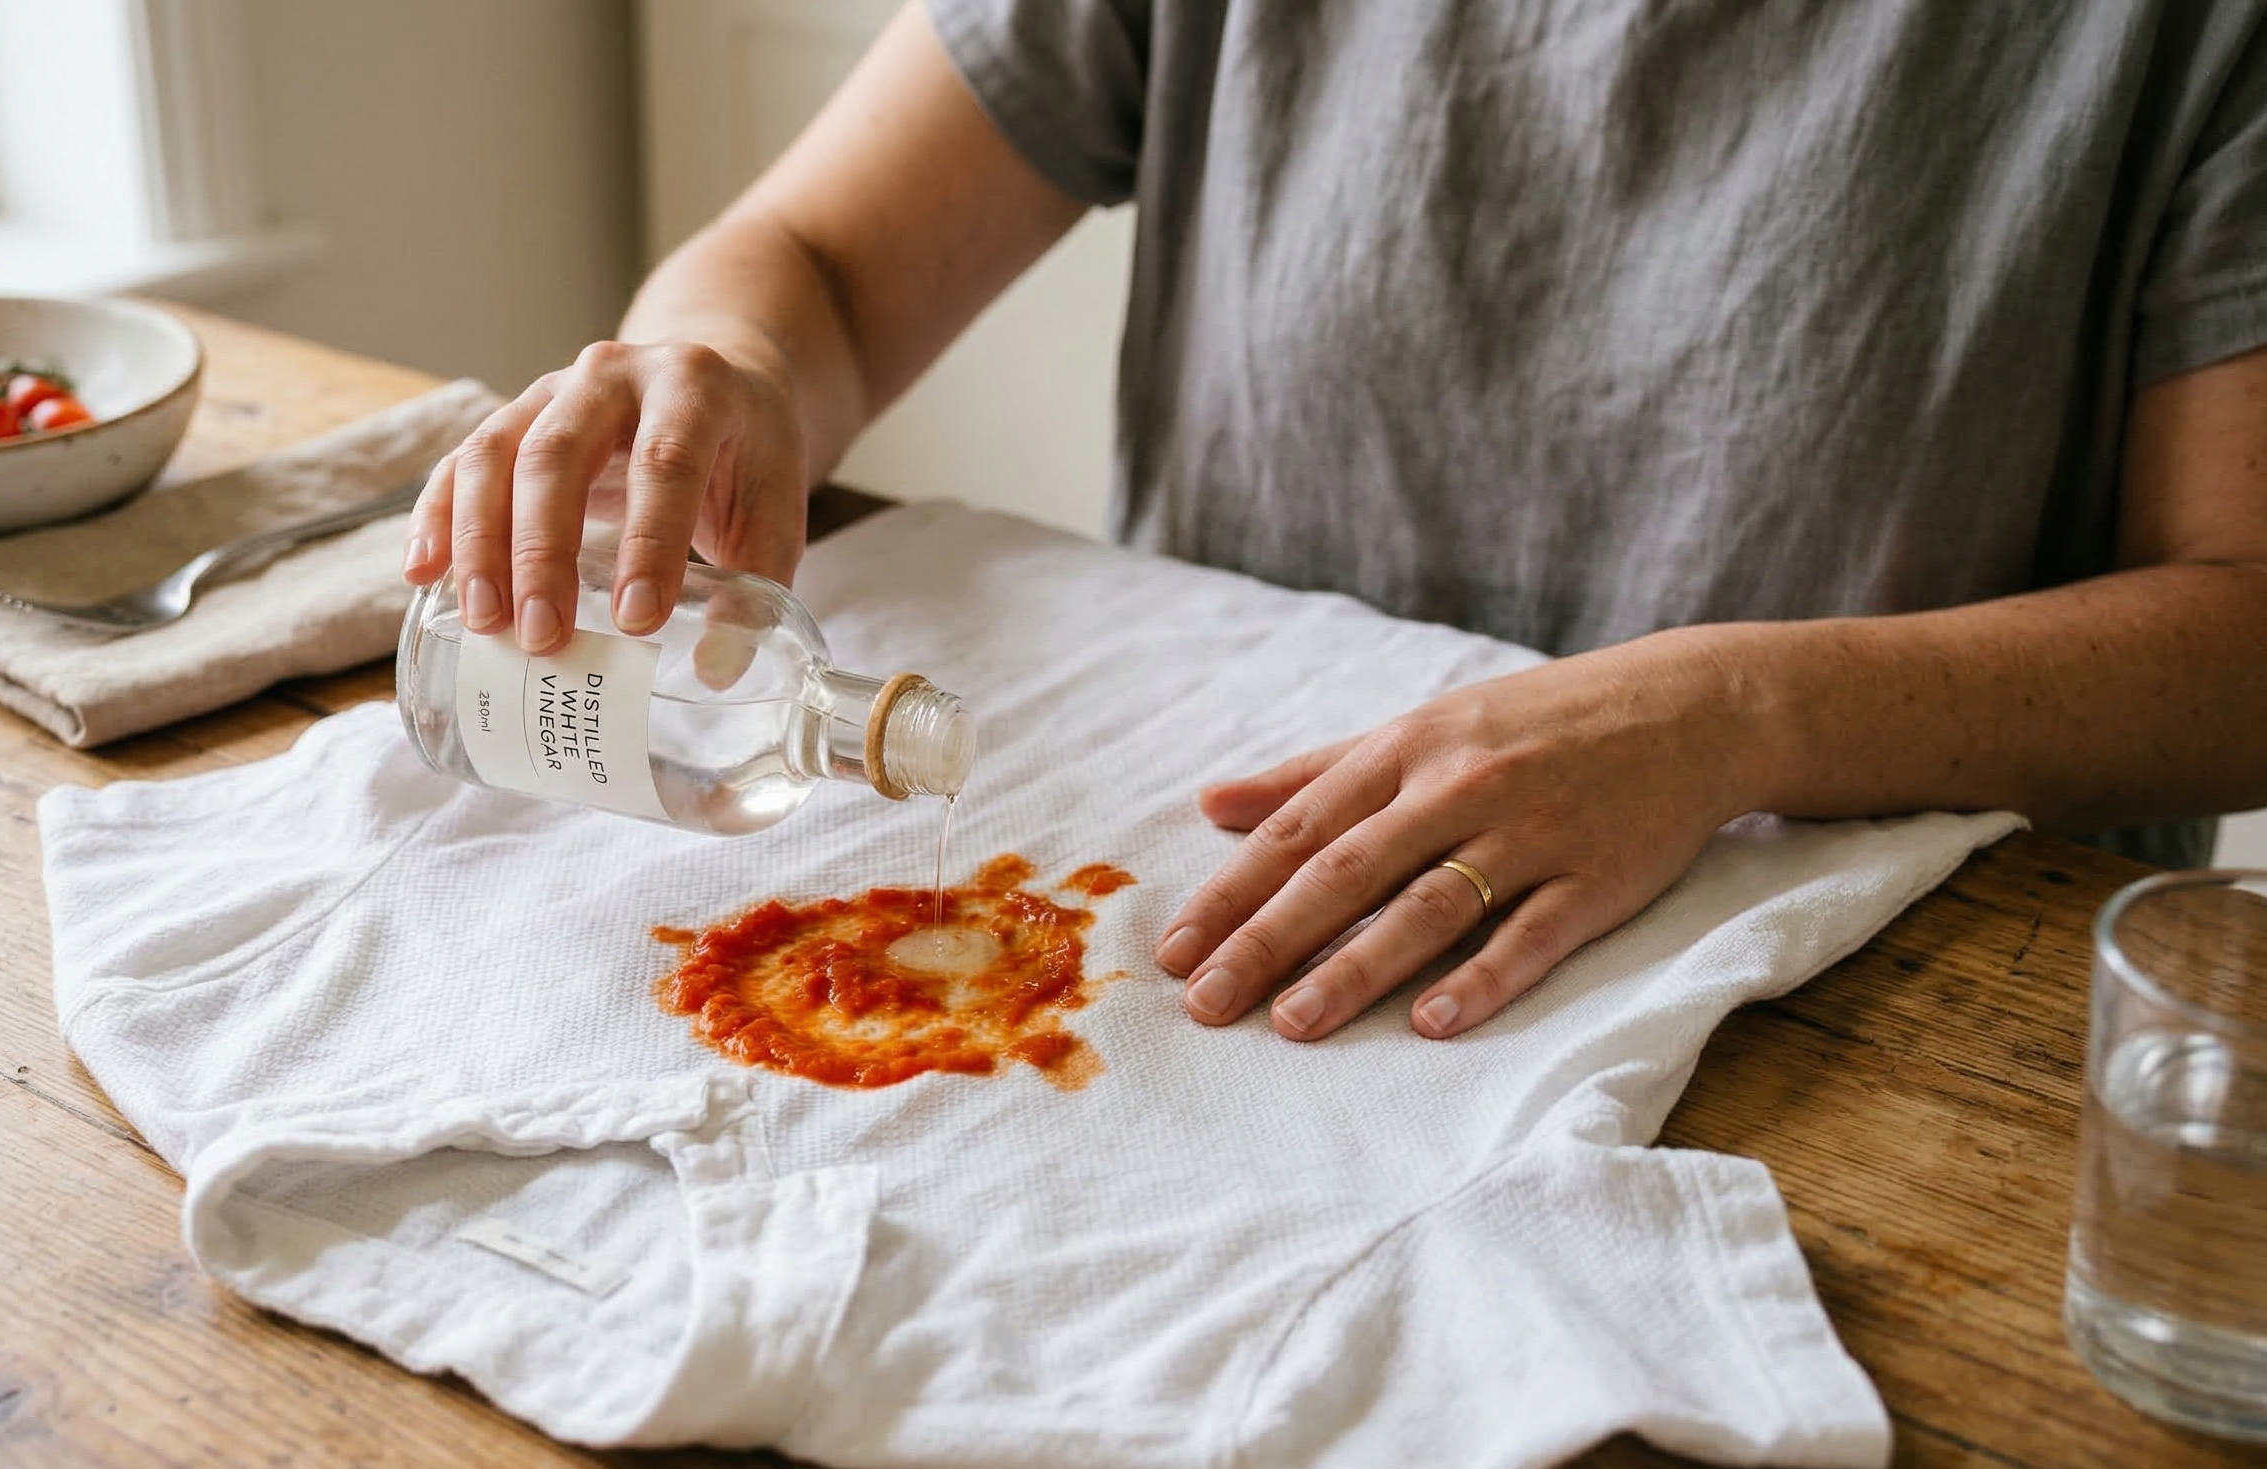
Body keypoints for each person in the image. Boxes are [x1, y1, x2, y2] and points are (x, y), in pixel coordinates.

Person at [401, 1, 2267, 1046]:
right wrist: (711, 361)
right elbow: (812, 262)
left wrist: (1734, 713)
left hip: (1888, 1025)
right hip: (1217, 917)